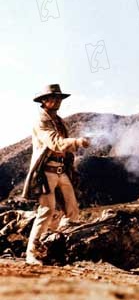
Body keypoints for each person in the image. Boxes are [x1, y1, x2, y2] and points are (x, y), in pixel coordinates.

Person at [22, 84, 90, 265]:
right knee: (46, 211)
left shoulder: (58, 121)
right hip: (46, 172)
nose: (57, 101)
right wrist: (77, 141)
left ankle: (53, 247)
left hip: (61, 171)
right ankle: (32, 253)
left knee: (72, 210)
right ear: (44, 101)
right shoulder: (41, 122)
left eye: (59, 98)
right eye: (53, 97)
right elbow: (55, 143)